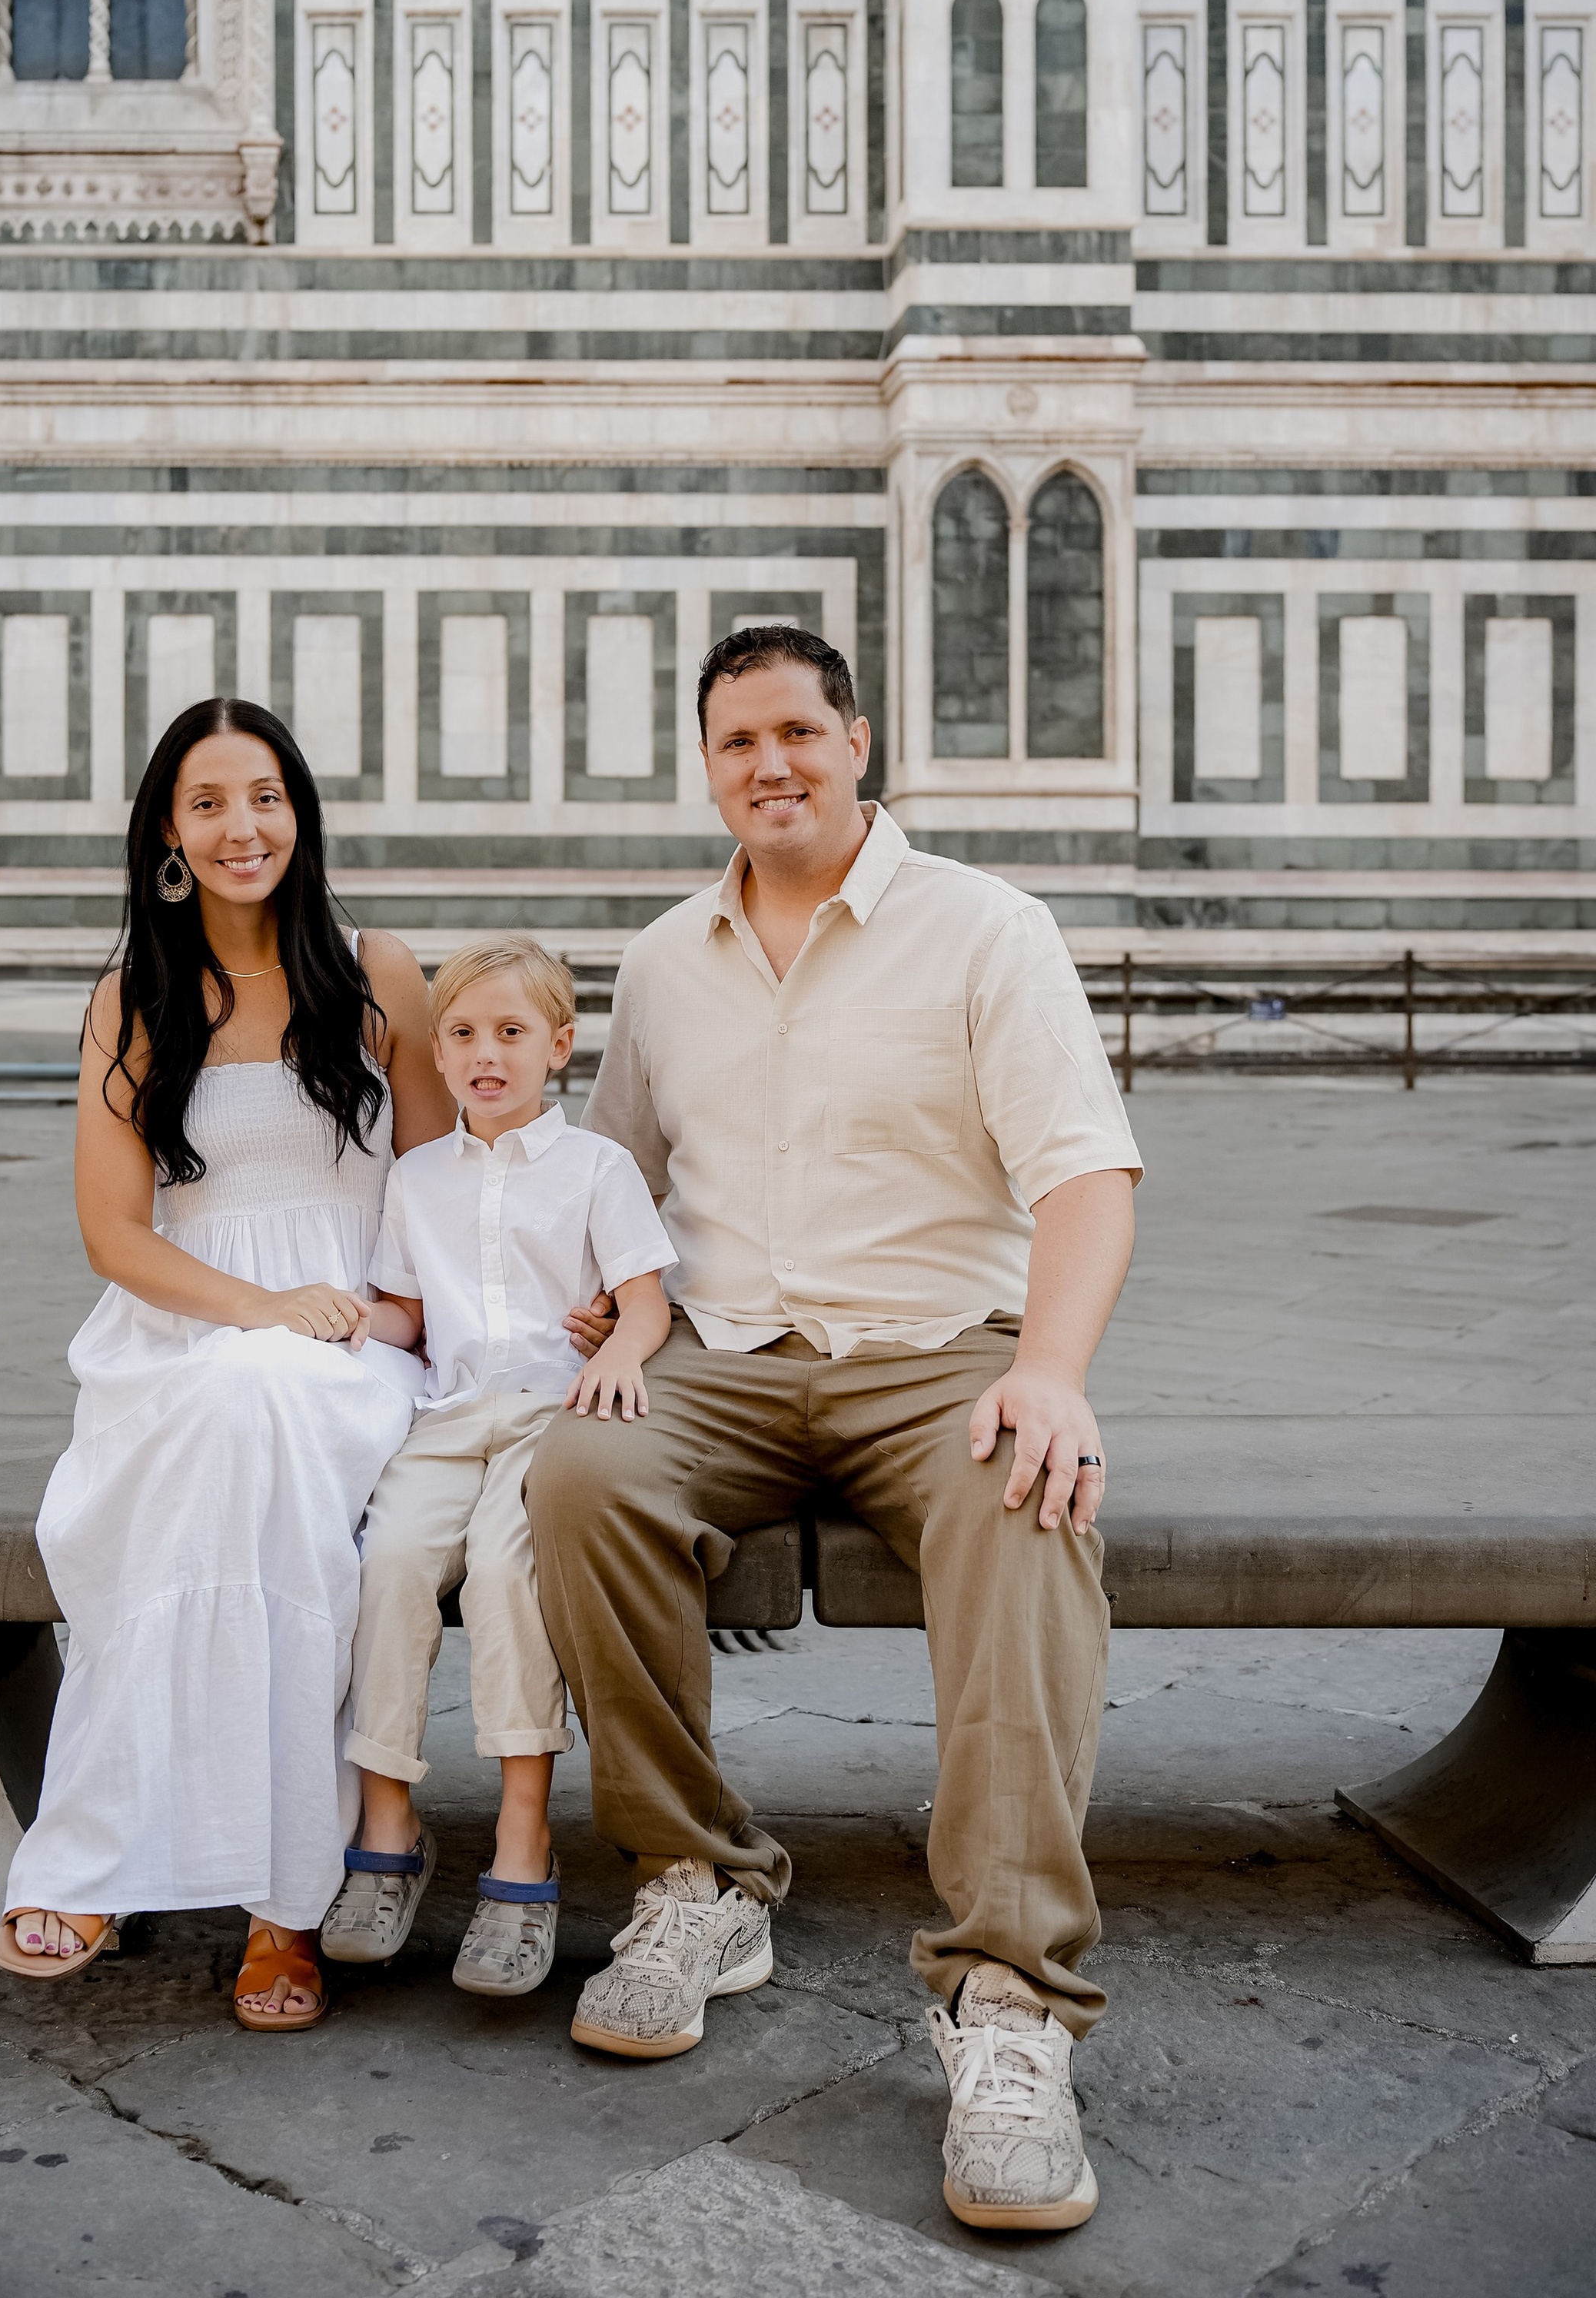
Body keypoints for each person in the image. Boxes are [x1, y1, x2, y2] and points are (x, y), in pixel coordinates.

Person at [527, 624, 1141, 2233]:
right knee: (580, 1468)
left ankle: (1007, 1998)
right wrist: (599, 1311)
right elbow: (611, 1189)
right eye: (736, 744)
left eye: (796, 731)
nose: (769, 766)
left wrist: (1053, 1371)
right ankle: (697, 1883)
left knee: (1027, 1497)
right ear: (707, 769)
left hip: (937, 1351)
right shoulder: (663, 960)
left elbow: (1084, 1171)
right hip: (724, 1352)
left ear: (857, 742)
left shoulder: (984, 932)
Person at [0, 697, 454, 2030]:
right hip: (188, 1332)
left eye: (264, 796)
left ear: (299, 815)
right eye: (208, 802)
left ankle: (268, 1894)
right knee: (231, 1418)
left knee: (264, 1425)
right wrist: (260, 1308)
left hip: (360, 1338)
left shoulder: (381, 972)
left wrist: (412, 1317)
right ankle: (243, 1884)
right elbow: (112, 1236)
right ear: (169, 836)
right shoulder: (131, 999)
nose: (240, 825)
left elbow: (439, 1190)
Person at [321, 939, 675, 1999]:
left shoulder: (598, 1169)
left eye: (513, 1033)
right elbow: (409, 1315)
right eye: (464, 1034)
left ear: (560, 1047)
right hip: (444, 1419)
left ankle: (524, 1840)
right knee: (386, 1568)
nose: (487, 1054)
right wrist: (340, 1320)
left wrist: (616, 1347)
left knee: (507, 1575)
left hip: (548, 1422)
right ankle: (388, 1821)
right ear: (435, 1052)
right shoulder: (418, 1179)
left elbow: (647, 1302)